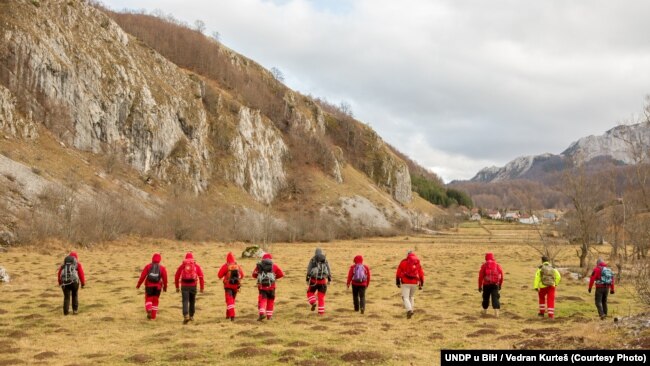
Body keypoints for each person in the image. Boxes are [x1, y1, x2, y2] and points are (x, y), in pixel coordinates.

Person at [252, 253, 284, 321]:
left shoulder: (259, 266)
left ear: (262, 259)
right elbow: (281, 274)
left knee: (263, 300)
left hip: (262, 287)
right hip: (272, 287)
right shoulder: (274, 266)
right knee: (270, 301)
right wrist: (274, 278)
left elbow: (254, 275)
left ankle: (262, 313)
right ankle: (269, 316)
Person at [174, 252, 205, 324]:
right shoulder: (196, 266)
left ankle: (186, 315)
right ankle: (191, 316)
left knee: (185, 301)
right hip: (193, 286)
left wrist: (177, 286)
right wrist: (202, 287)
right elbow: (201, 277)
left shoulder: (182, 265)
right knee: (192, 301)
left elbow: (176, 276)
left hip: (184, 286)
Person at [136, 253, 168, 320]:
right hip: (158, 287)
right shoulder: (162, 268)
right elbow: (165, 279)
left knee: (148, 299)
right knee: (155, 301)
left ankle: (149, 310)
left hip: (149, 286)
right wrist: (165, 287)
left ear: (152, 259)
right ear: (160, 260)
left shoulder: (148, 266)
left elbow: (142, 276)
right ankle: (153, 316)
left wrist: (138, 284)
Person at [395, 250, 424, 319]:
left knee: (405, 297)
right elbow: (421, 274)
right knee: (411, 296)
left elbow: (398, 273)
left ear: (407, 255)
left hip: (405, 282)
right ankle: (411, 309)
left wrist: (397, 282)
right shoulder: (417, 263)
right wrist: (421, 284)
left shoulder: (403, 262)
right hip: (415, 282)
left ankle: (409, 310)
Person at [217, 252, 244, 321]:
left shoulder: (226, 266)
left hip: (228, 286)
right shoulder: (237, 265)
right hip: (236, 286)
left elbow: (219, 275)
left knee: (229, 301)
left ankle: (232, 316)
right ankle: (228, 315)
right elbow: (242, 275)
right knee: (232, 301)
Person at [57, 251, 86, 315]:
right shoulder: (77, 264)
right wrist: (83, 283)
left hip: (65, 282)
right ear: (75, 258)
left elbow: (59, 274)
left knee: (66, 297)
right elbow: (81, 274)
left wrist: (60, 282)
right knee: (75, 295)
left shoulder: (64, 264)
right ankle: (75, 311)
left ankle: (66, 312)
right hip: (74, 282)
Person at [306, 248, 331, 315]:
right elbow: (328, 269)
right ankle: (321, 313)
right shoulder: (325, 260)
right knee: (321, 297)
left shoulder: (312, 260)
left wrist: (307, 279)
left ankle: (313, 302)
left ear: (315, 253)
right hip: (323, 282)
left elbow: (309, 270)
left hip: (314, 281)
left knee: (309, 293)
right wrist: (329, 279)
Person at [478, 252, 504, 317]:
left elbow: (480, 277)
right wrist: (500, 284)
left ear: (486, 258)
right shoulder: (497, 265)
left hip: (486, 285)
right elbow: (501, 275)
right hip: (495, 284)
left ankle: (485, 312)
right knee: (495, 298)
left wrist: (480, 286)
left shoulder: (484, 265)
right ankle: (496, 314)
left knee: (485, 298)